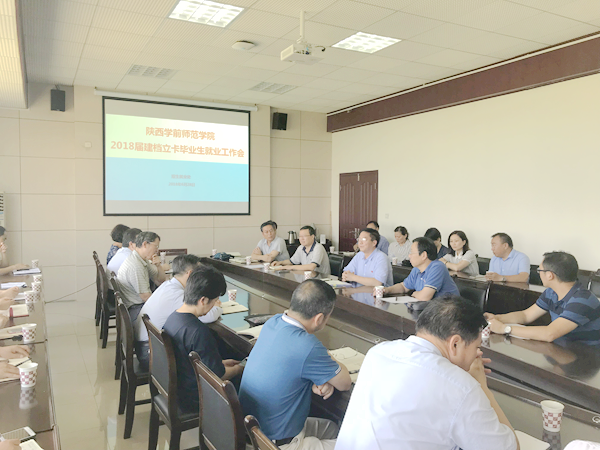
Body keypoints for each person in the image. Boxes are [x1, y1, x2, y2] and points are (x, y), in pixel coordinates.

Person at [335, 296, 519, 450]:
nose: (476, 355)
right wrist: (481, 386)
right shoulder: (461, 387)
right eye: (476, 347)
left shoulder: (379, 352)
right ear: (455, 343)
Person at [239, 279, 352, 449]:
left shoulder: (273, 322)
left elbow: (289, 367)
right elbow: (344, 383)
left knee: (332, 428)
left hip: (253, 430)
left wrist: (319, 376)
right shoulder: (308, 346)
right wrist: (325, 359)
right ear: (320, 318)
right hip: (276, 444)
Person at [162, 265, 244, 414]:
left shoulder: (173, 318)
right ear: (203, 300)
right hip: (196, 398)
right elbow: (218, 376)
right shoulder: (198, 332)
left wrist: (221, 363)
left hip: (181, 389)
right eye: (215, 301)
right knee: (245, 383)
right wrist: (241, 367)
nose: (214, 305)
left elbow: (200, 363)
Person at [486, 252, 600, 344]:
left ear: (550, 275)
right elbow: (526, 315)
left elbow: (549, 333)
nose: (539, 274)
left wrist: (505, 329)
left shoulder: (583, 300)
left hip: (586, 356)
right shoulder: (551, 292)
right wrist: (497, 318)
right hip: (562, 348)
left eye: (540, 270)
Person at [134, 255, 222, 370]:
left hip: (148, 346)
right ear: (191, 274)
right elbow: (208, 316)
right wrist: (217, 306)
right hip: (151, 354)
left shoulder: (168, 285)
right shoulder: (176, 294)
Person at [384, 237, 459, 301]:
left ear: (423, 255)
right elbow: (403, 287)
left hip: (449, 309)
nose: (409, 256)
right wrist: (387, 290)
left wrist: (415, 294)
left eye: (412, 252)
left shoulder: (437, 267)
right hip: (431, 308)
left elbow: (424, 297)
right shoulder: (417, 269)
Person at [117, 231, 166, 322]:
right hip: (135, 310)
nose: (157, 250)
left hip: (139, 306)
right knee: (169, 316)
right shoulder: (135, 265)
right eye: (156, 246)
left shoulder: (142, 259)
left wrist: (158, 265)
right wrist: (164, 306)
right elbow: (145, 297)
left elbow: (160, 280)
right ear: (145, 244)